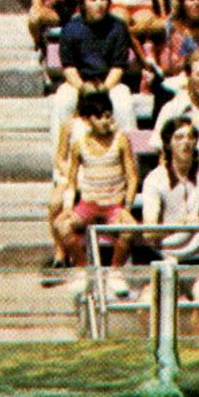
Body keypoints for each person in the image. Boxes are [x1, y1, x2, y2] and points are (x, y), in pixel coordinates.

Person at [140, 115, 199, 333]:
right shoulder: (155, 179)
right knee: (145, 306)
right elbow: (149, 231)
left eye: (191, 137)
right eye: (179, 137)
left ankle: (194, 350)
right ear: (168, 144)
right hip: (166, 259)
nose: (186, 142)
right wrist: (181, 224)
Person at [51, 89, 138, 298]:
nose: (105, 121)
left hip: (113, 207)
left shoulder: (121, 140)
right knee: (60, 225)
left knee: (130, 229)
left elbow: (132, 176)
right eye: (99, 117)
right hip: (88, 205)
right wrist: (70, 207)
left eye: (108, 115)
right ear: (88, 120)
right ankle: (82, 269)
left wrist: (126, 206)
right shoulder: (79, 144)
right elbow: (71, 180)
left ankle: (115, 271)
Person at [48, 0, 138, 146]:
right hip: (79, 83)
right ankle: (61, 164)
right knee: (62, 101)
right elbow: (69, 67)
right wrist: (84, 89)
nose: (100, 4)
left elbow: (118, 67)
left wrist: (102, 90)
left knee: (124, 103)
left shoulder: (118, 27)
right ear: (83, 2)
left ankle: (130, 161)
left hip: (109, 83)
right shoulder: (70, 29)